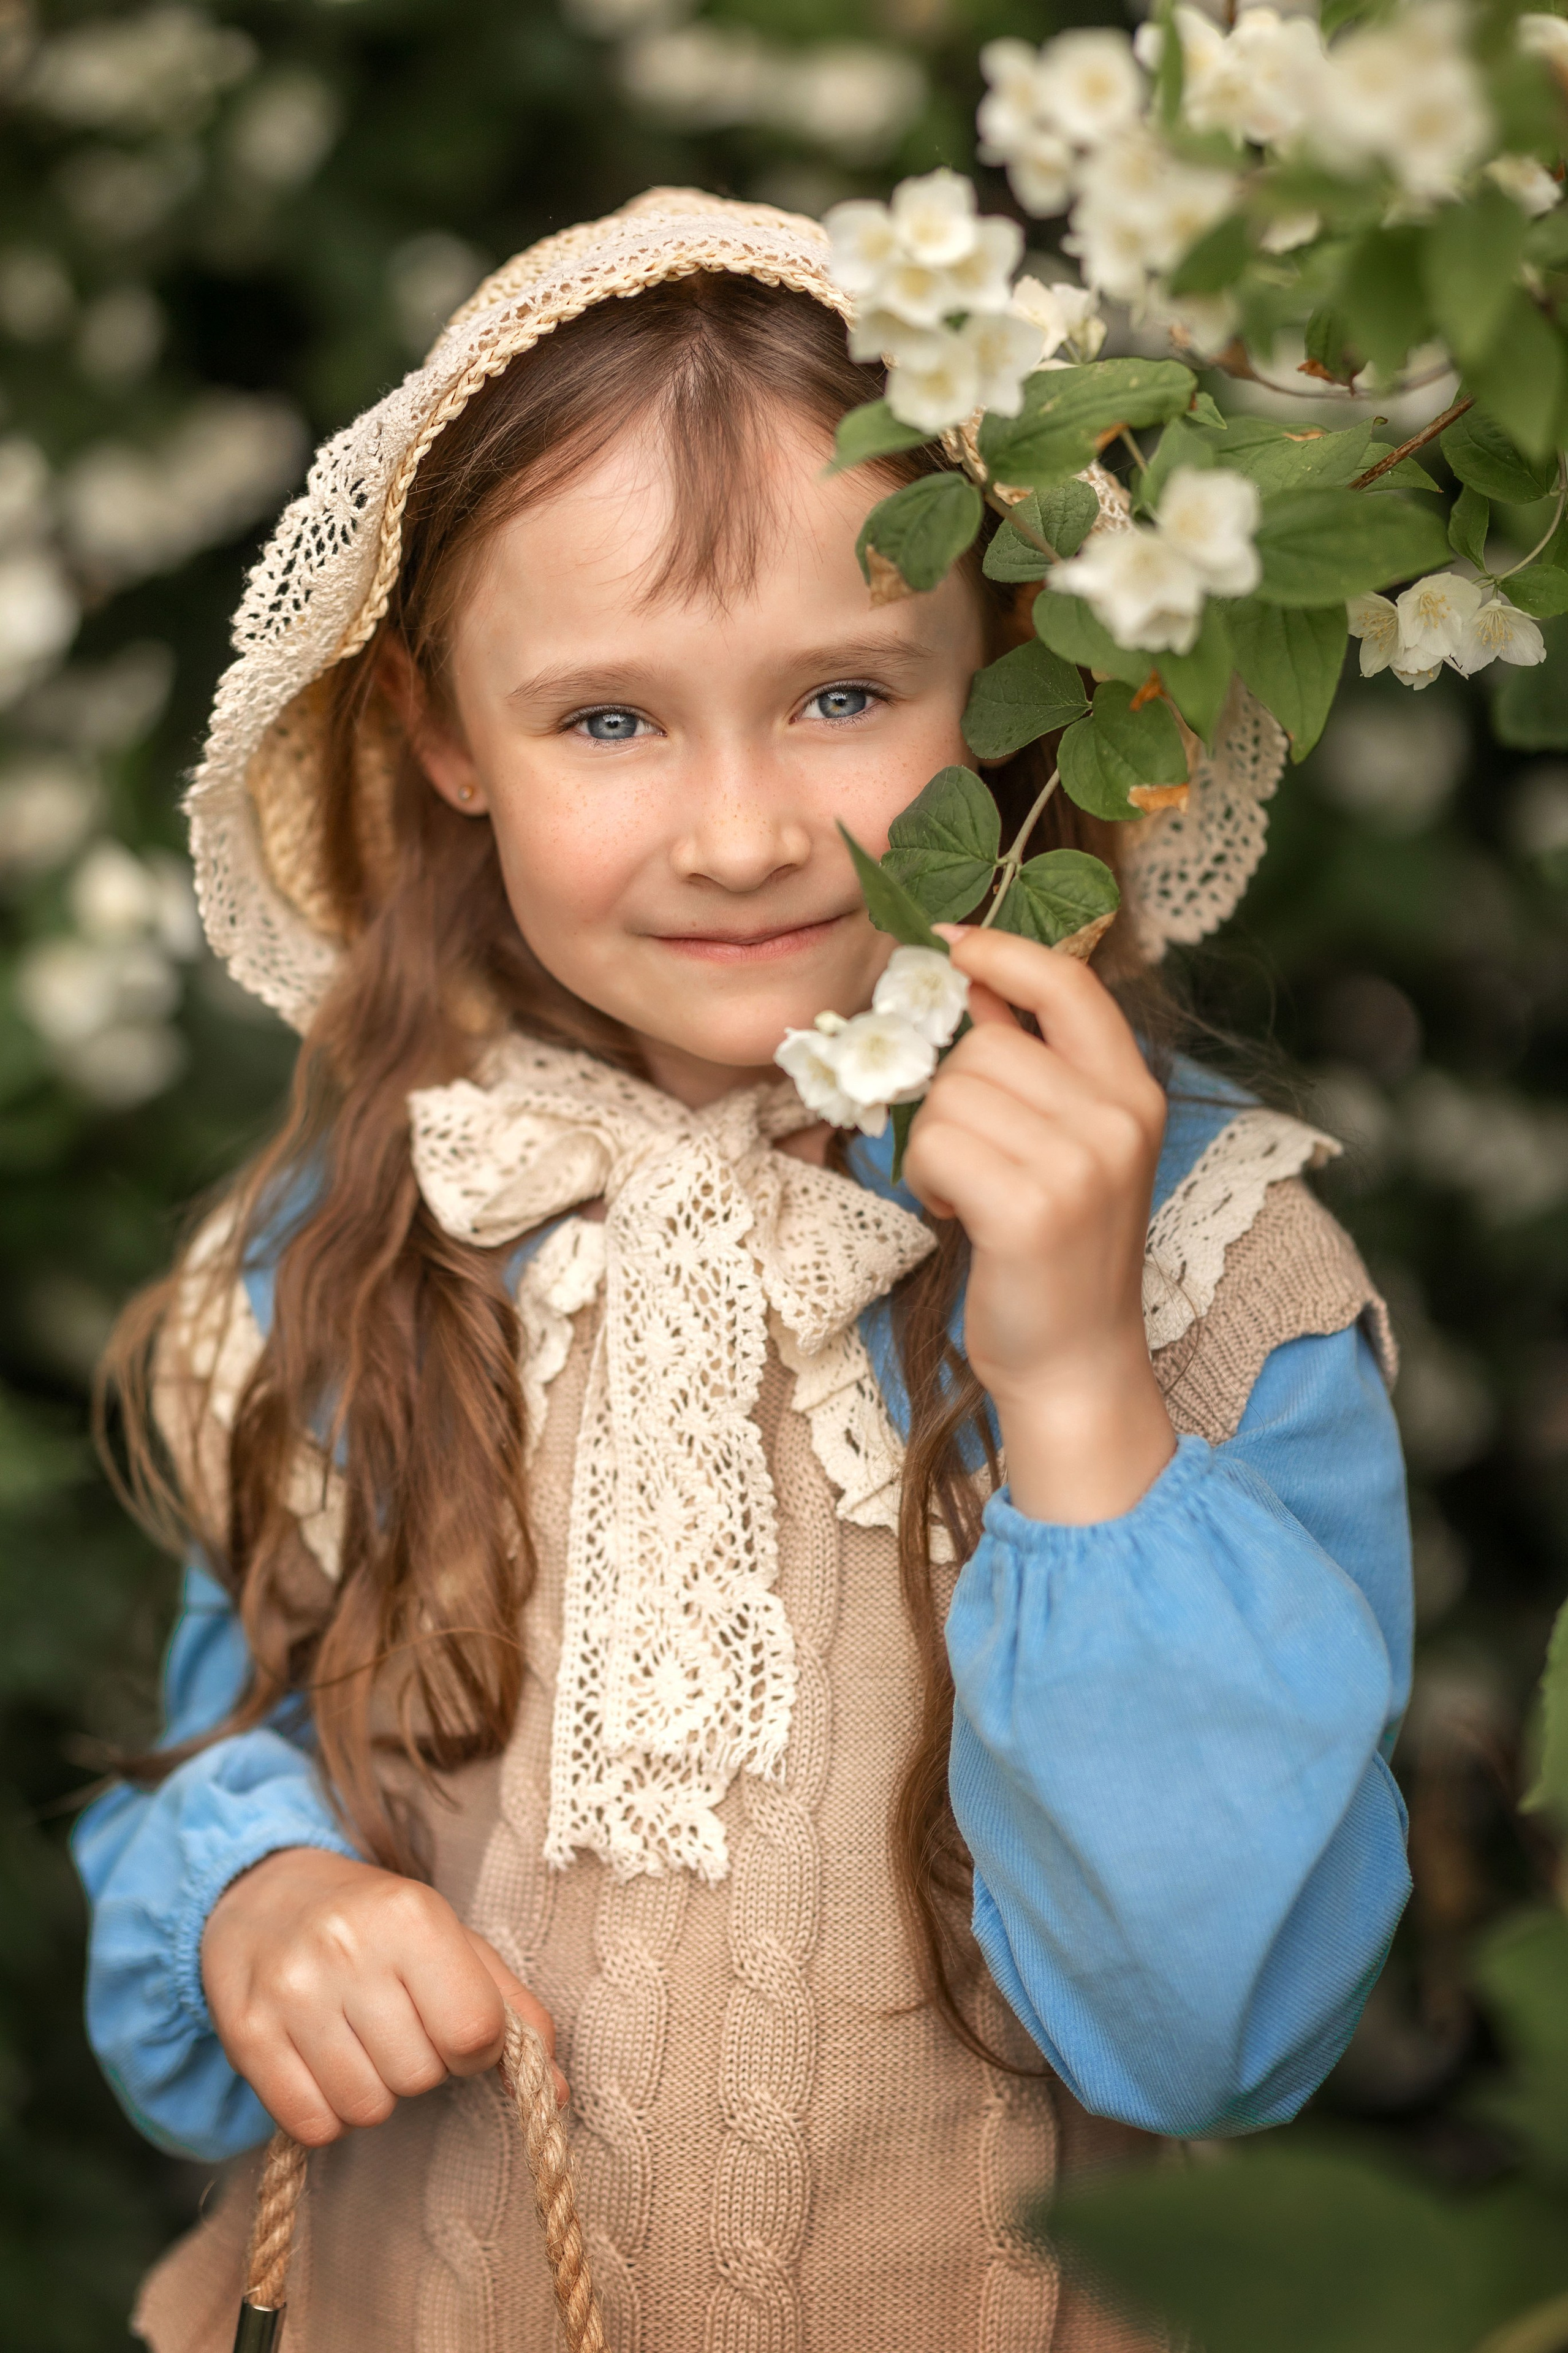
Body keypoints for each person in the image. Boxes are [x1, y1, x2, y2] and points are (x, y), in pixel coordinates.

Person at [74, 191, 1412, 2353]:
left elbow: (1222, 2027)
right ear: (440, 739)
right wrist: (261, 1898)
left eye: (841, 692)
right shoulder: (375, 1228)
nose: (736, 833)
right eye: (608, 721)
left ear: (1013, 688)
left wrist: (1070, 1375)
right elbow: (219, 1754)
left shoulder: (1208, 1262)